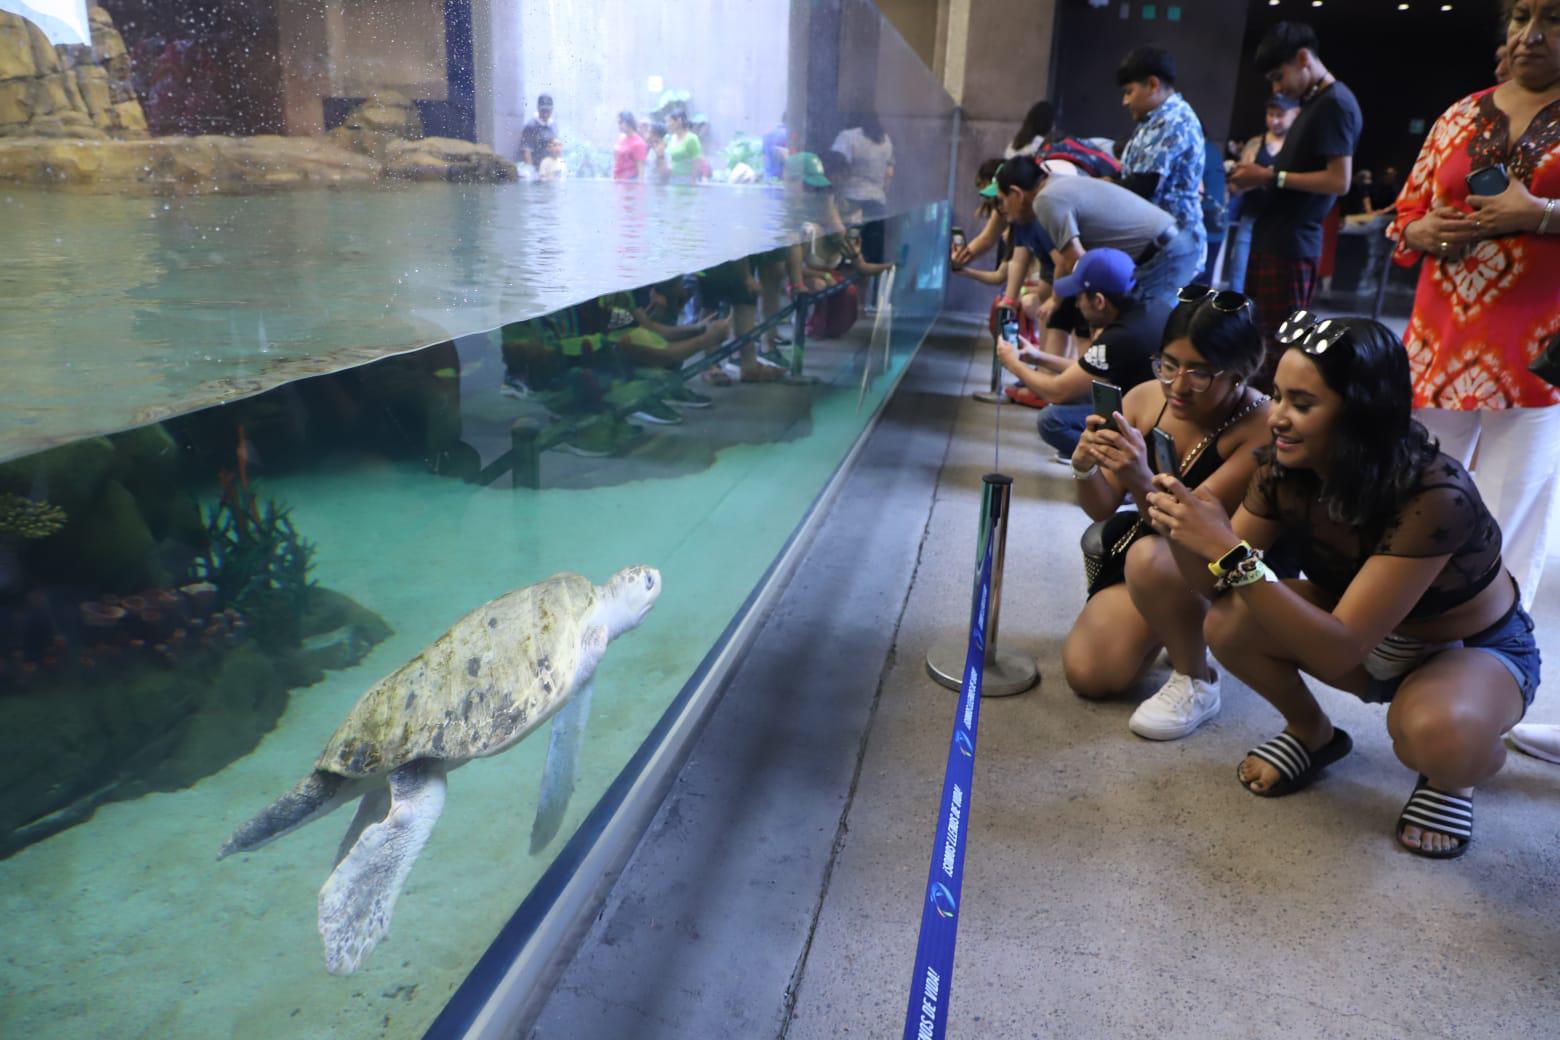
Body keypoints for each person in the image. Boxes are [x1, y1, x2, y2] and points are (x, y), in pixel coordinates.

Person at [1145, 314, 1540, 858]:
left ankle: (1461, 771)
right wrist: (1190, 535)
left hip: (1464, 649)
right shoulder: (1283, 468)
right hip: (1352, 625)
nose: (1277, 418)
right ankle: (1313, 734)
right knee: (1230, 621)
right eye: (1278, 396)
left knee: (1437, 736)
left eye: (1302, 404)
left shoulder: (1435, 493)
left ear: (1362, 412)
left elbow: (1338, 648)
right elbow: (1216, 590)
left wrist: (1228, 552)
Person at [1388, 0, 1560, 612]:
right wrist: (1420, 231)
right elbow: (1405, 213)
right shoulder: (1460, 114)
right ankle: (1409, 619)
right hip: (1440, 341)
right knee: (1420, 490)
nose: (1530, 36)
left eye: (1553, 19)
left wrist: (1539, 216)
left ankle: (1495, 643)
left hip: (1541, 349)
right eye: (1519, 17)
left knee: (1513, 503)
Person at [1064, 287, 1270, 740]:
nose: (1177, 385)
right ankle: (1172, 624)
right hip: (1153, 556)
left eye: (1199, 373)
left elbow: (1191, 529)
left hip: (1223, 568)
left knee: (1153, 557)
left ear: (1240, 372)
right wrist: (1085, 467)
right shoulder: (1143, 398)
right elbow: (1100, 507)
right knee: (1090, 673)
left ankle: (1197, 677)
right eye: (1169, 365)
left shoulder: (1259, 427)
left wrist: (1140, 479)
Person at [1229, 22, 1362, 380]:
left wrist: (1269, 176)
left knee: (1282, 345)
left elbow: (1340, 181)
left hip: (1292, 245)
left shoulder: (1335, 103)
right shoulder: (1316, 102)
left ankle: (1276, 425)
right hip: (1276, 238)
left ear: (1303, 58)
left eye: (1278, 76)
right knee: (1261, 340)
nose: (1277, 87)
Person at [994, 249, 1171, 459]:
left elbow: (1056, 391)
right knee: (1080, 394)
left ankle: (1118, 461)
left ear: (1099, 301)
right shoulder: (1152, 307)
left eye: (1079, 297)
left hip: (1145, 423)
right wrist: (1036, 357)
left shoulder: (1121, 336)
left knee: (1052, 420)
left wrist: (1012, 363)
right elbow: (1086, 371)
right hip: (1149, 408)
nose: (1077, 304)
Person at [993, 155, 1194, 309]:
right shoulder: (1057, 183)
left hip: (1165, 254)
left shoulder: (1045, 199)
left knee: (1143, 336)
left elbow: (1078, 263)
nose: (1004, 211)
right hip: (1164, 249)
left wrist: (1057, 299)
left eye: (1002, 200)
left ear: (1016, 193)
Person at [1117, 46, 1208, 277]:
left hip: (1173, 247)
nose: (1124, 101)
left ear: (1153, 85)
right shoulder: (1153, 119)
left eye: (1129, 91)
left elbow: (1143, 185)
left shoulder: (1173, 119)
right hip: (1159, 244)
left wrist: (1098, 188)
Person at [1224, 95, 1298, 292]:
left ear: (1294, 114)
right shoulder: (1255, 144)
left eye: (1280, 115)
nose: (1274, 120)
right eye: (1270, 114)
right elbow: (1236, 185)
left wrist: (1265, 177)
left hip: (1283, 222)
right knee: (1238, 273)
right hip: (1252, 216)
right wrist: (1245, 181)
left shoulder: (1297, 146)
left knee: (1273, 281)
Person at [832, 114, 895, 264]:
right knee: (871, 256)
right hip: (877, 203)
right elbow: (889, 174)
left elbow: (838, 166)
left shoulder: (847, 137)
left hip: (850, 203)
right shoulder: (886, 141)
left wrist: (835, 196)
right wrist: (881, 192)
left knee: (846, 255)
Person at [663, 106, 703, 183]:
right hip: (672, 180)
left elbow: (697, 162)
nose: (667, 124)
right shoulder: (670, 138)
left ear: (678, 121)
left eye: (669, 121)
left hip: (687, 180)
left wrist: (693, 181)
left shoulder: (692, 139)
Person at [519, 93, 557, 169]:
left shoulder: (553, 125)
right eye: (543, 111)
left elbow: (556, 147)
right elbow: (527, 151)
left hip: (550, 167)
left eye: (548, 111)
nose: (545, 114)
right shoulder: (531, 126)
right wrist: (530, 170)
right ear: (538, 108)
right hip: (536, 168)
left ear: (552, 110)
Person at [613, 111, 648, 180]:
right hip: (618, 180)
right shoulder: (621, 139)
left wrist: (639, 187)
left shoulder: (638, 143)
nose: (619, 126)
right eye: (618, 123)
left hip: (630, 182)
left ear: (629, 123)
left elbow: (641, 170)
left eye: (620, 123)